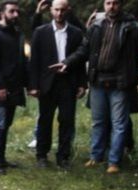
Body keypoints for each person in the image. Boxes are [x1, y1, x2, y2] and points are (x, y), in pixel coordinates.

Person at [52, 0, 138, 174]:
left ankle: (114, 161)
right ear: (104, 5)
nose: (111, 7)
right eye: (108, 3)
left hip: (121, 82)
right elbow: (83, 49)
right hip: (98, 81)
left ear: (121, 5)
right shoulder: (96, 25)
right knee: (98, 122)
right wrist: (67, 62)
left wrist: (137, 69)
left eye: (115, 3)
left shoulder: (132, 27)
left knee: (119, 124)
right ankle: (96, 157)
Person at [28, 0, 86, 169]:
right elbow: (34, 61)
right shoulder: (41, 32)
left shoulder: (75, 33)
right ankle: (41, 155)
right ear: (51, 11)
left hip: (68, 83)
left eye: (62, 10)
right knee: (45, 120)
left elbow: (80, 60)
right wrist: (33, 85)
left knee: (67, 121)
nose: (59, 13)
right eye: (56, 10)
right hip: (47, 83)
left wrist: (82, 83)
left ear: (68, 10)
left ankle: (63, 157)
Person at [0, 1, 28, 174]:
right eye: (12, 11)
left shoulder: (15, 34)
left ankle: (0, 159)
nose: (16, 15)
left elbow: (20, 61)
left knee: (5, 125)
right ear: (2, 13)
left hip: (13, 88)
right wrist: (0, 87)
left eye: (17, 11)